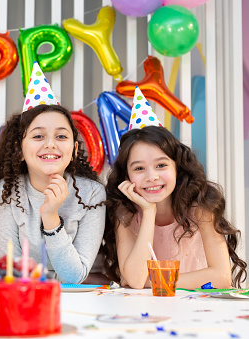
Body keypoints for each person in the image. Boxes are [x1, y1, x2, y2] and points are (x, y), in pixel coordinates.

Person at [101, 87, 247, 289]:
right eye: (139, 168)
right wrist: (149, 212)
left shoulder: (202, 204)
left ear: (177, 168)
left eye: (161, 165)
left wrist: (151, 281)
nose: (152, 177)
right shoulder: (124, 212)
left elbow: (221, 277)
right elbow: (135, 280)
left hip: (199, 306)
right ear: (127, 176)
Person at [0, 63, 106, 284]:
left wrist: (51, 217)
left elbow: (74, 277)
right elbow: (11, 274)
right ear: (19, 151)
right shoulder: (4, 193)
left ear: (74, 150)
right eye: (38, 136)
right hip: (24, 300)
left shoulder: (92, 194)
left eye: (61, 136)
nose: (50, 144)